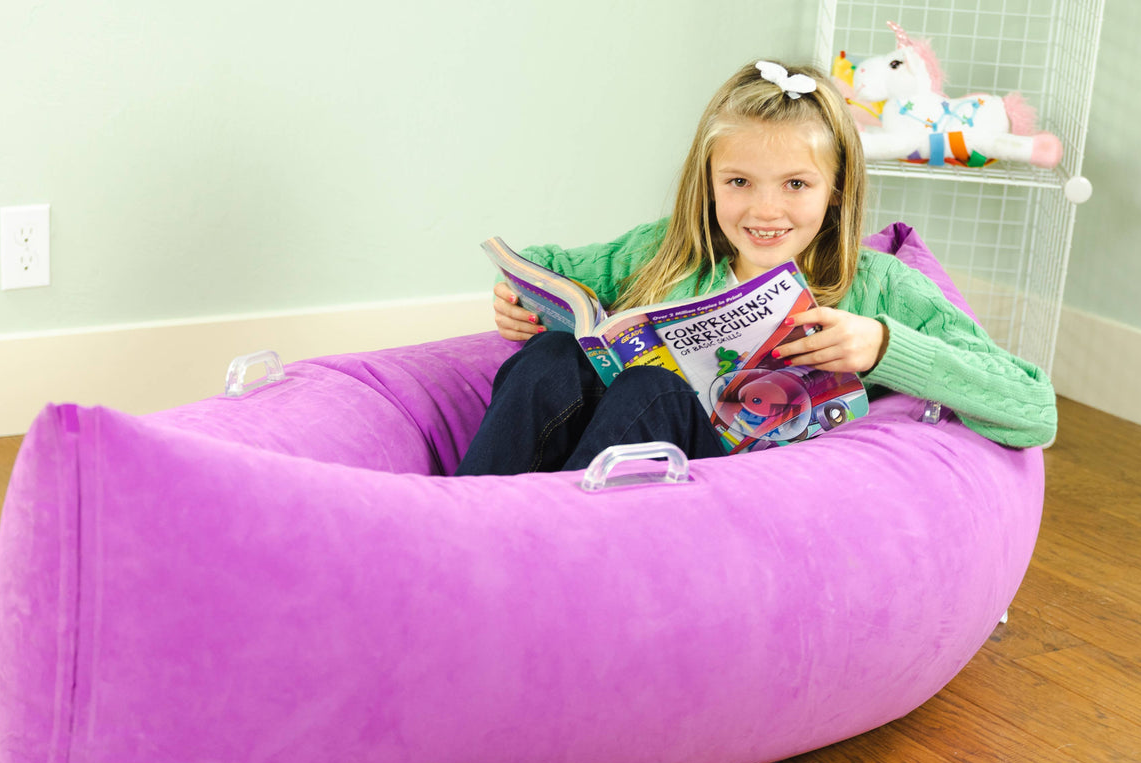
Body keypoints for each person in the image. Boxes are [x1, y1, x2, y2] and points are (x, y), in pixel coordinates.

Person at [453, 60, 1057, 476]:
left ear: (838, 189)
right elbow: (550, 267)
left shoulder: (880, 286)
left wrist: (884, 348)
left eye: (796, 184)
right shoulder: (669, 249)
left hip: (729, 492)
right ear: (709, 184)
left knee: (652, 390)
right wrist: (519, 297)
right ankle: (467, 518)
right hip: (611, 450)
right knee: (553, 358)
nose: (765, 210)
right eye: (739, 182)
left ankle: (552, 544)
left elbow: (1034, 409)